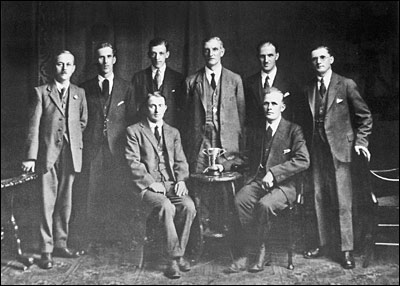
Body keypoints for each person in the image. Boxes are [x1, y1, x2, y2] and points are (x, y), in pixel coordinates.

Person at [301, 45, 373, 269]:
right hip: (317, 151)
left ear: (331, 59)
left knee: (343, 202)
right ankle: (323, 244)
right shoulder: (310, 88)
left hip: (341, 152)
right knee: (319, 198)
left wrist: (361, 142)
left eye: (323, 57)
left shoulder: (346, 84)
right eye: (314, 59)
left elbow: (365, 117)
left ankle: (346, 250)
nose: (319, 62)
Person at [226, 87, 310, 273]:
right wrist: (223, 166)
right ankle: (252, 248)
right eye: (266, 103)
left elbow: (303, 160)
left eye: (274, 103)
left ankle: (261, 252)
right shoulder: (258, 131)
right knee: (241, 200)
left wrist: (274, 173)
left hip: (285, 186)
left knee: (264, 205)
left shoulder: (293, 130)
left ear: (282, 106)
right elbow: (246, 158)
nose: (269, 107)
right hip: (258, 182)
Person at [21, 50, 88, 269]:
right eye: (60, 64)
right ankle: (46, 250)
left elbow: (83, 121)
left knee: (65, 203)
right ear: (54, 67)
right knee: (46, 203)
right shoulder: (41, 92)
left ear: (74, 68)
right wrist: (31, 157)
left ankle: (61, 243)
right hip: (47, 156)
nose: (64, 68)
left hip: (70, 155)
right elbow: (33, 126)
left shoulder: (79, 93)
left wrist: (72, 138)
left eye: (69, 64)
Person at [125, 92, 196, 279]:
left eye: (160, 106)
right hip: (147, 187)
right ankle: (174, 259)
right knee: (166, 207)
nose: (156, 110)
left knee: (189, 207)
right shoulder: (134, 131)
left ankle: (177, 253)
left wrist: (180, 180)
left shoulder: (173, 132)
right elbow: (133, 163)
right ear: (145, 108)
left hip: (171, 183)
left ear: (165, 108)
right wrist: (151, 183)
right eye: (152, 106)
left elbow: (181, 161)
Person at [182, 36, 245, 235]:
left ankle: (227, 230)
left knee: (227, 189)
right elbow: (185, 116)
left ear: (222, 51)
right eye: (207, 50)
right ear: (203, 52)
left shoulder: (235, 80)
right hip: (201, 142)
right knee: (201, 188)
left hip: (227, 143)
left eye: (215, 49)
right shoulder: (192, 81)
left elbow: (241, 115)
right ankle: (201, 232)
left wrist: (236, 143)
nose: (211, 54)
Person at [79, 42, 136, 247]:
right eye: (101, 57)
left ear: (114, 59)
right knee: (90, 193)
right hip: (93, 147)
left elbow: (131, 119)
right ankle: (89, 240)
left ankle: (116, 237)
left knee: (116, 191)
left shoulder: (126, 86)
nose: (105, 61)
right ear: (97, 60)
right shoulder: (85, 87)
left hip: (117, 148)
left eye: (108, 57)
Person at [244, 40, 298, 148]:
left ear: (277, 56)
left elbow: (295, 114)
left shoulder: (290, 82)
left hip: (283, 139)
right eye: (262, 56)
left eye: (270, 55)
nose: (266, 60)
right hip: (257, 139)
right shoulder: (248, 83)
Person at [131, 37, 184, 128]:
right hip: (145, 131)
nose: (157, 58)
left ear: (167, 54)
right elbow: (133, 107)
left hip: (170, 130)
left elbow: (182, 110)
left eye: (161, 53)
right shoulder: (139, 77)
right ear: (148, 54)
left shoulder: (178, 78)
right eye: (153, 53)